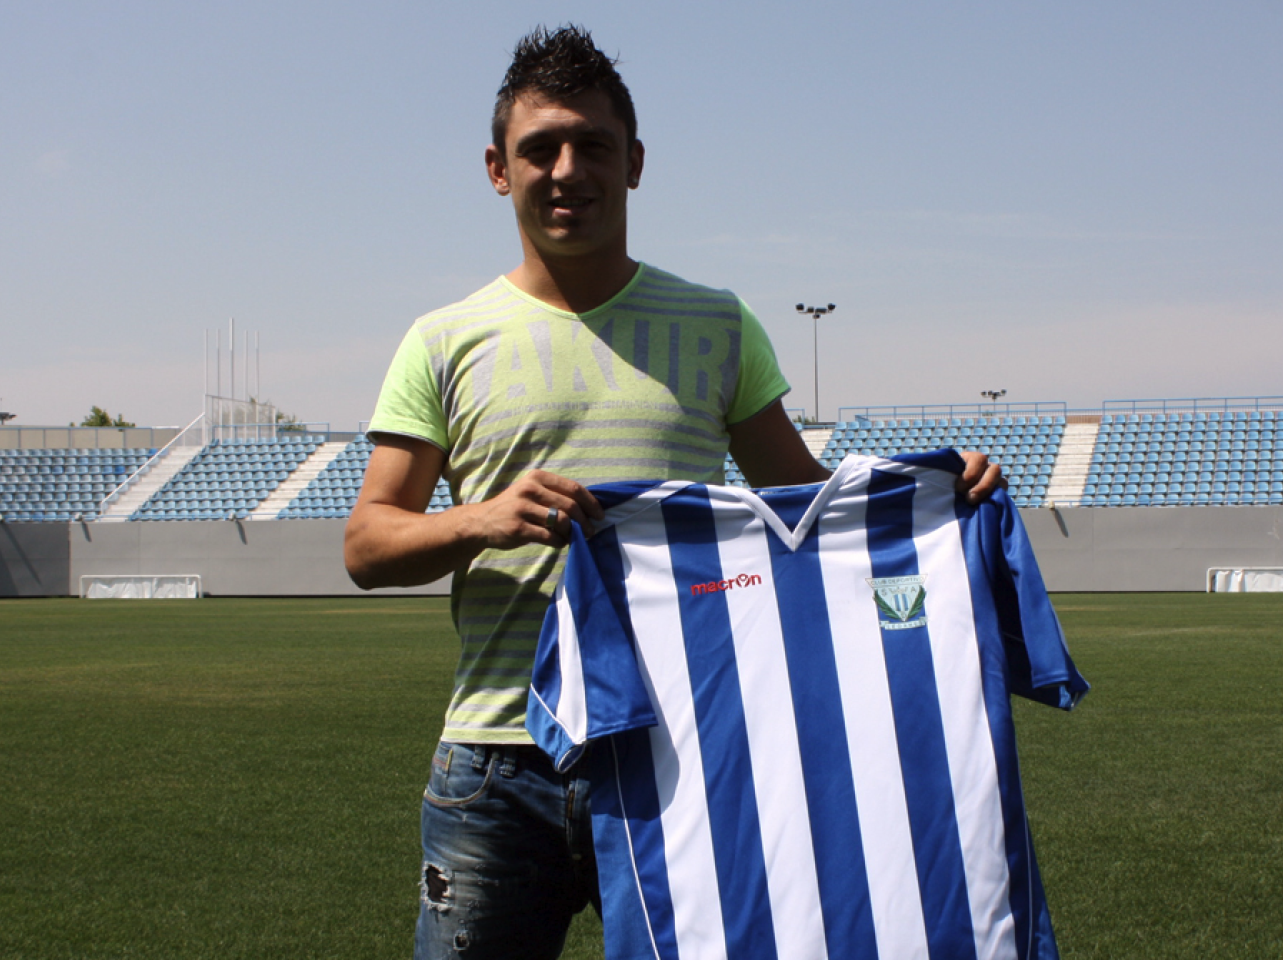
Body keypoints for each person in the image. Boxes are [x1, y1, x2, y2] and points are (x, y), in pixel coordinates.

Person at [344, 25, 1005, 960]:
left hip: (684, 753)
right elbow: (368, 545)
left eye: (593, 146)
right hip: (496, 764)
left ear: (636, 163)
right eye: (540, 149)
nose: (567, 169)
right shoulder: (443, 340)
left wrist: (933, 500)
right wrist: (485, 519)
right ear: (499, 169)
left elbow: (809, 515)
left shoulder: (717, 323)